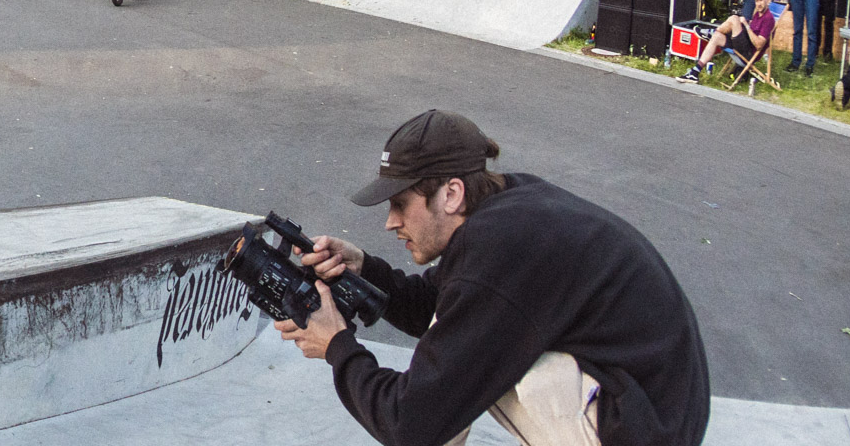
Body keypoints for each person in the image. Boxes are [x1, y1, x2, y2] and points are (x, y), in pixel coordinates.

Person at [275, 109, 708, 446]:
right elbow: (440, 306)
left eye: (400, 205)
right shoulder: (509, 205)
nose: (390, 222)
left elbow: (409, 423)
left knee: (460, 383)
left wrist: (338, 346)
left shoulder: (502, 249)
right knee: (464, 349)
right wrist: (365, 269)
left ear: (452, 193)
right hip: (652, 407)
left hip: (643, 428)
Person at [679, 0, 778, 82]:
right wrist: (747, 25)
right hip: (743, 46)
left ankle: (711, 31)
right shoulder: (758, 14)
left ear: (767, 0)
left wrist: (746, 26)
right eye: (756, 1)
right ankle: (695, 72)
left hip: (748, 54)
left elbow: (759, 45)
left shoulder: (768, 19)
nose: (759, 4)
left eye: (761, 0)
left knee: (734, 19)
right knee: (717, 37)